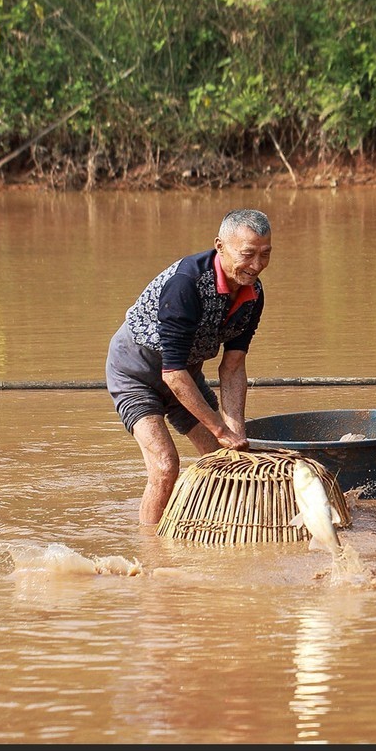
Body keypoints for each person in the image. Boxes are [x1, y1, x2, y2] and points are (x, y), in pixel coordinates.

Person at [106, 208, 272, 526]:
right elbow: (172, 373)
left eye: (265, 254)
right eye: (248, 254)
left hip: (186, 376)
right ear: (220, 246)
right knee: (166, 467)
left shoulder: (253, 293)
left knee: (223, 461)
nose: (256, 266)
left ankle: (217, 529)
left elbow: (233, 367)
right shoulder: (187, 284)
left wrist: (235, 434)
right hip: (137, 375)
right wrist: (220, 429)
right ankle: (150, 556)